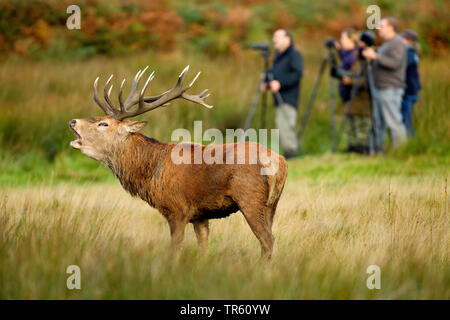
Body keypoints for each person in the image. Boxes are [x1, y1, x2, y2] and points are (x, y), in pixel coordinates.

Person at [362, 17, 407, 153]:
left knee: (393, 122)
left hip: (390, 88)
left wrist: (375, 57)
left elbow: (394, 63)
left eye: (382, 26)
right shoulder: (386, 44)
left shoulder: (397, 43)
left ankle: (402, 151)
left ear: (391, 27)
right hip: (380, 88)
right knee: (378, 123)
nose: (378, 28)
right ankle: (377, 152)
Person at [262, 29, 303, 159]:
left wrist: (280, 83)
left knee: (285, 124)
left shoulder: (294, 55)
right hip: (278, 98)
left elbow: (297, 74)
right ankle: (288, 152)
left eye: (277, 37)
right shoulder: (277, 57)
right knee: (281, 124)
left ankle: (291, 154)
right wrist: (267, 82)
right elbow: (273, 74)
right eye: (274, 37)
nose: (274, 40)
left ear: (287, 38)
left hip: (289, 97)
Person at [335, 28, 372, 154]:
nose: (341, 41)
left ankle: (363, 148)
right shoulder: (349, 56)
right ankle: (352, 147)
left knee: (361, 124)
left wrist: (349, 80)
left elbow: (366, 79)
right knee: (350, 122)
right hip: (349, 96)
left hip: (361, 98)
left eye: (343, 38)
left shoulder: (360, 57)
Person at [400, 29, 421, 137]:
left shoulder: (409, 53)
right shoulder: (412, 52)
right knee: (405, 119)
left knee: (405, 120)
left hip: (408, 91)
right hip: (411, 91)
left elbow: (401, 68)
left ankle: (409, 143)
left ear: (406, 40)